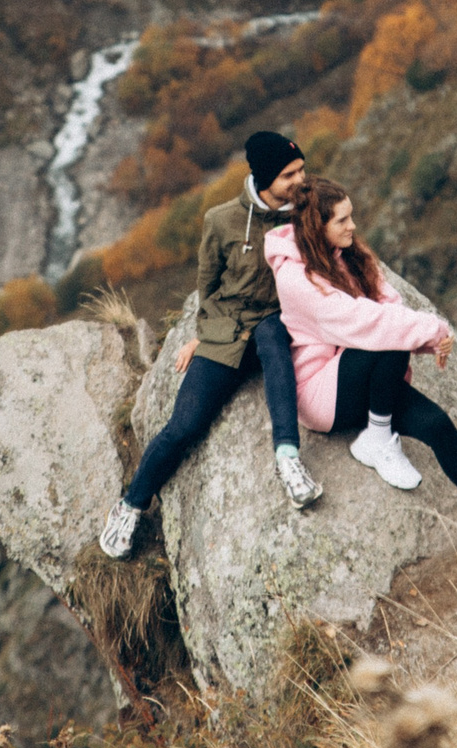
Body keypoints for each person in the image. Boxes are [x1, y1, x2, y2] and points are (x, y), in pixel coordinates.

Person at [267, 177, 457, 571]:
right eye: (342, 220)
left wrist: (430, 340)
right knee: (384, 336)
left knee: (438, 424)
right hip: (324, 393)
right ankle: (378, 437)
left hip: (369, 374)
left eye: (352, 216)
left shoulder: (347, 253)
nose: (352, 226)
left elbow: (387, 300)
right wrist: (430, 330)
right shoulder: (294, 279)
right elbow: (364, 321)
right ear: (316, 226)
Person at [99, 131, 322, 558]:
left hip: (277, 323)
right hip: (227, 332)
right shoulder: (221, 220)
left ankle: (288, 460)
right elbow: (208, 287)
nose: (301, 178)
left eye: (301, 169)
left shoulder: (309, 214)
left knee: (275, 340)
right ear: (264, 176)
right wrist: (201, 335)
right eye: (290, 173)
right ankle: (129, 506)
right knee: (184, 426)